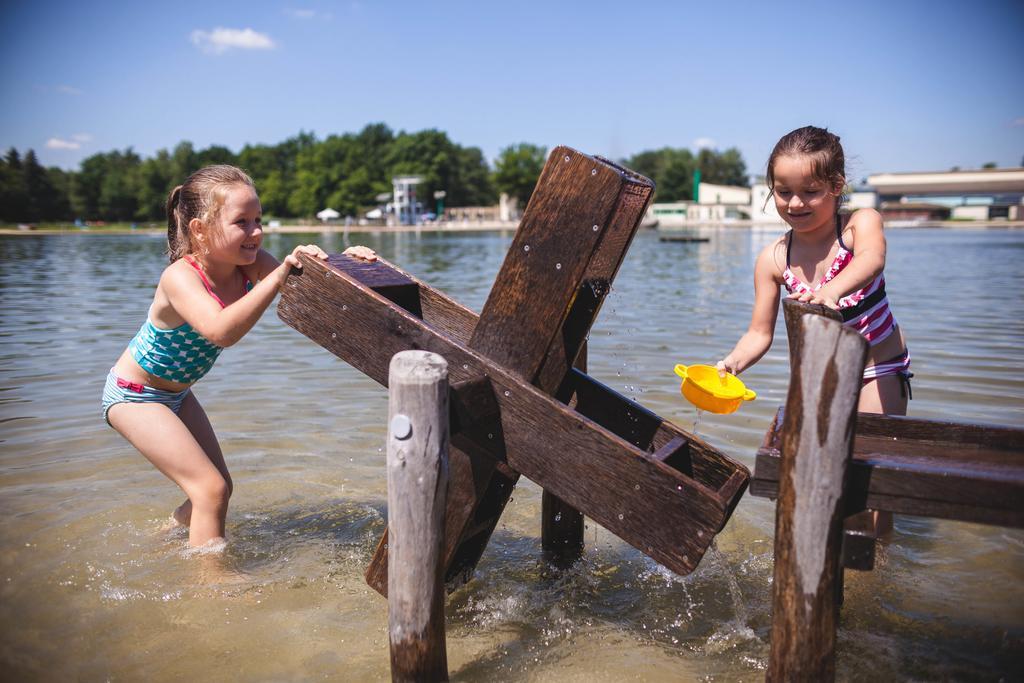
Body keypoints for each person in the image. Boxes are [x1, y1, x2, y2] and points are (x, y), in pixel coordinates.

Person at [102, 165, 376, 549]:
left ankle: (168, 536)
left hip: (176, 395)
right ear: (199, 229)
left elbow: (310, 289)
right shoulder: (181, 277)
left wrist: (345, 264)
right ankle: (211, 585)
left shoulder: (252, 263)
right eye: (241, 222)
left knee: (220, 488)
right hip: (135, 395)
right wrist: (278, 276)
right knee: (209, 489)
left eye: (258, 220)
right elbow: (220, 331)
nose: (256, 232)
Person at [717, 126, 911, 418]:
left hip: (877, 368)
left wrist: (829, 291)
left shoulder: (859, 225)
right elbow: (759, 333)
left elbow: (872, 260)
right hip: (821, 379)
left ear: (836, 186)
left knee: (872, 453)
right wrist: (733, 362)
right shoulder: (773, 259)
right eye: (784, 192)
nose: (795, 203)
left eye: (810, 192)